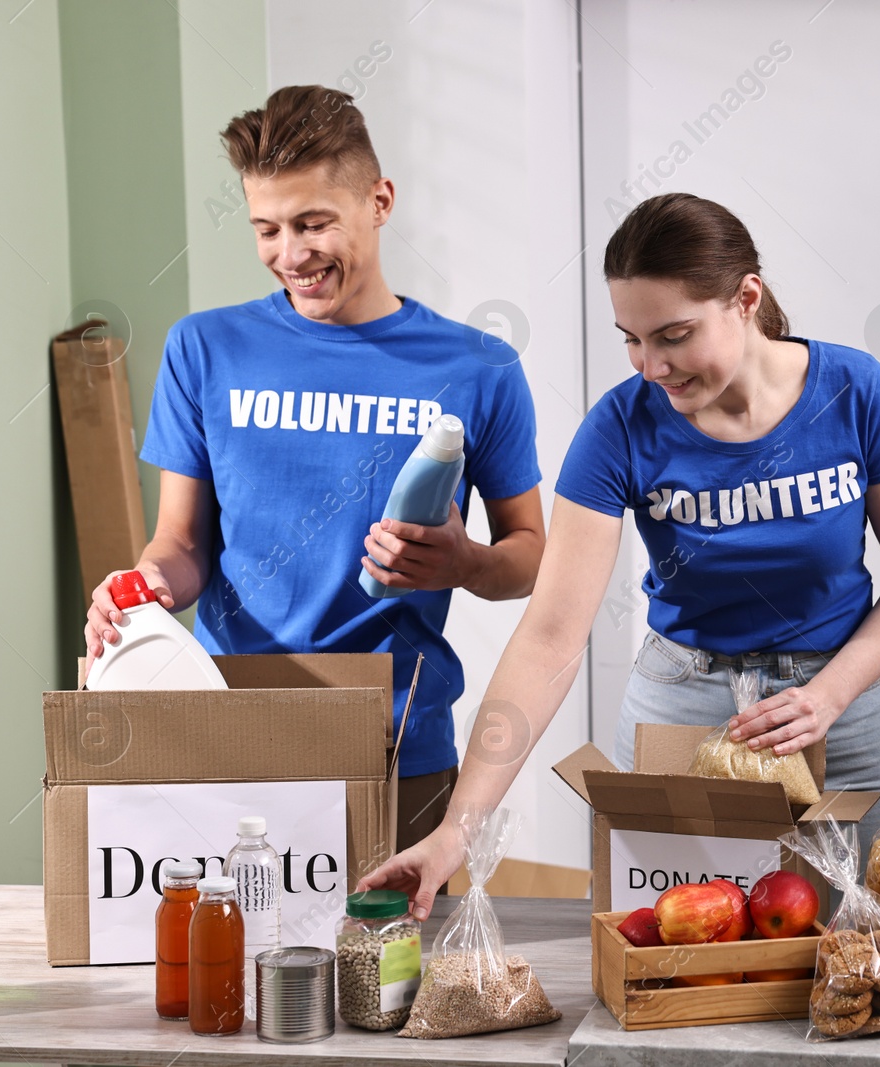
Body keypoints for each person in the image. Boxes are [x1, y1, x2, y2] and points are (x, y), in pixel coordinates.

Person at [361, 192, 880, 917]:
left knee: (872, 955)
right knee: (682, 960)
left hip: (841, 700)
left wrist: (828, 696)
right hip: (683, 708)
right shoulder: (619, 427)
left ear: (746, 298)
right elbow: (551, 635)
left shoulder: (855, 391)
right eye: (631, 339)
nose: (652, 366)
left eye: (673, 334)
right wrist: (458, 828)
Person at [82, 86, 546, 852]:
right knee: (230, 967)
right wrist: (148, 589)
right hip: (233, 729)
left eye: (313, 223)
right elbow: (181, 546)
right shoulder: (205, 350)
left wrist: (463, 561)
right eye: (266, 228)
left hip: (399, 744)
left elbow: (529, 556)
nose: (290, 255)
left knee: (396, 972)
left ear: (380, 200)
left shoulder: (479, 367)